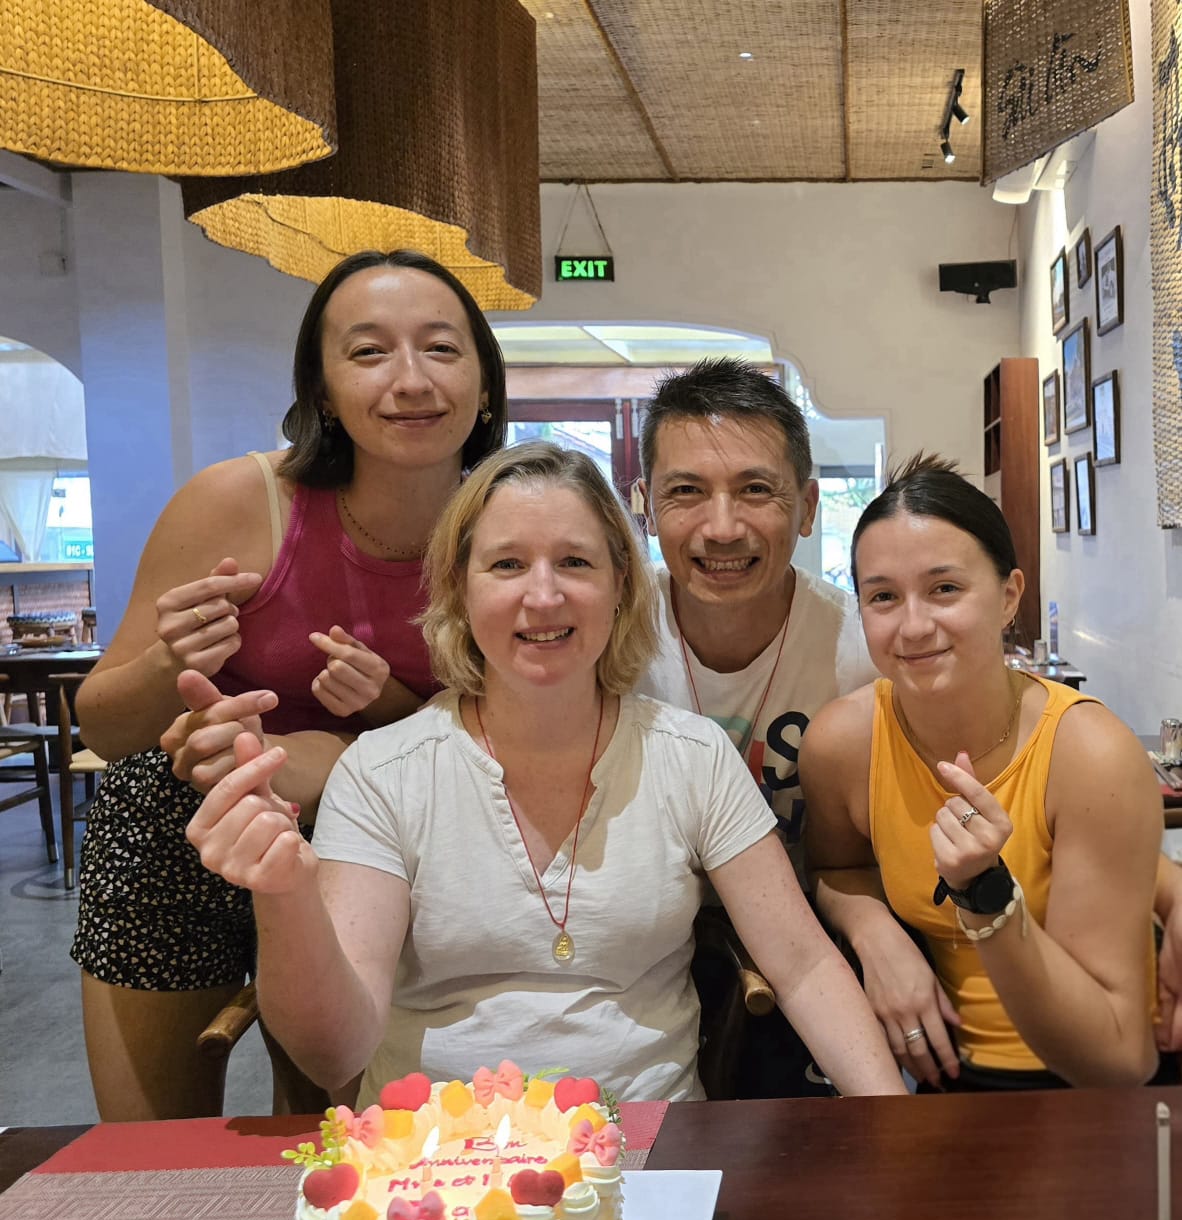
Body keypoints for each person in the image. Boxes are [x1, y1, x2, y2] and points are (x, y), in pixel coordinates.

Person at [186, 443, 906, 1102]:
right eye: (506, 565)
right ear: (460, 587)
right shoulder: (383, 772)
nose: (543, 596)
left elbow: (803, 966)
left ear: (621, 584)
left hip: (647, 1145)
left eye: (575, 563)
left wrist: (890, 1121)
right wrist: (284, 896)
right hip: (435, 1156)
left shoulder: (692, 755)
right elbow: (334, 1055)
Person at [70, 249, 507, 1121]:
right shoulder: (239, 501)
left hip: (387, 844)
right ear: (323, 391)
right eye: (369, 351)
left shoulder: (504, 528)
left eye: (441, 348)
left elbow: (516, 735)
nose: (410, 380)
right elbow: (105, 731)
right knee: (155, 1147)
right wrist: (169, 666)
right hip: (183, 832)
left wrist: (360, 737)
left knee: (330, 1132)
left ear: (487, 386)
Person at [800, 454, 1160, 1090]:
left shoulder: (1088, 753)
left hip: (1080, 1087)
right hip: (939, 1075)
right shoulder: (843, 744)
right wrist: (875, 932)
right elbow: (835, 868)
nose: (914, 626)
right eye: (883, 596)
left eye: (945, 589)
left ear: (1009, 596)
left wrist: (984, 894)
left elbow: (1118, 1061)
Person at [633, 358, 877, 1096]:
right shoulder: (603, 638)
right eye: (685, 491)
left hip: (813, 950)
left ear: (807, 507)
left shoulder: (862, 650)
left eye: (755, 490)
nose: (722, 528)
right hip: (645, 958)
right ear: (644, 504)